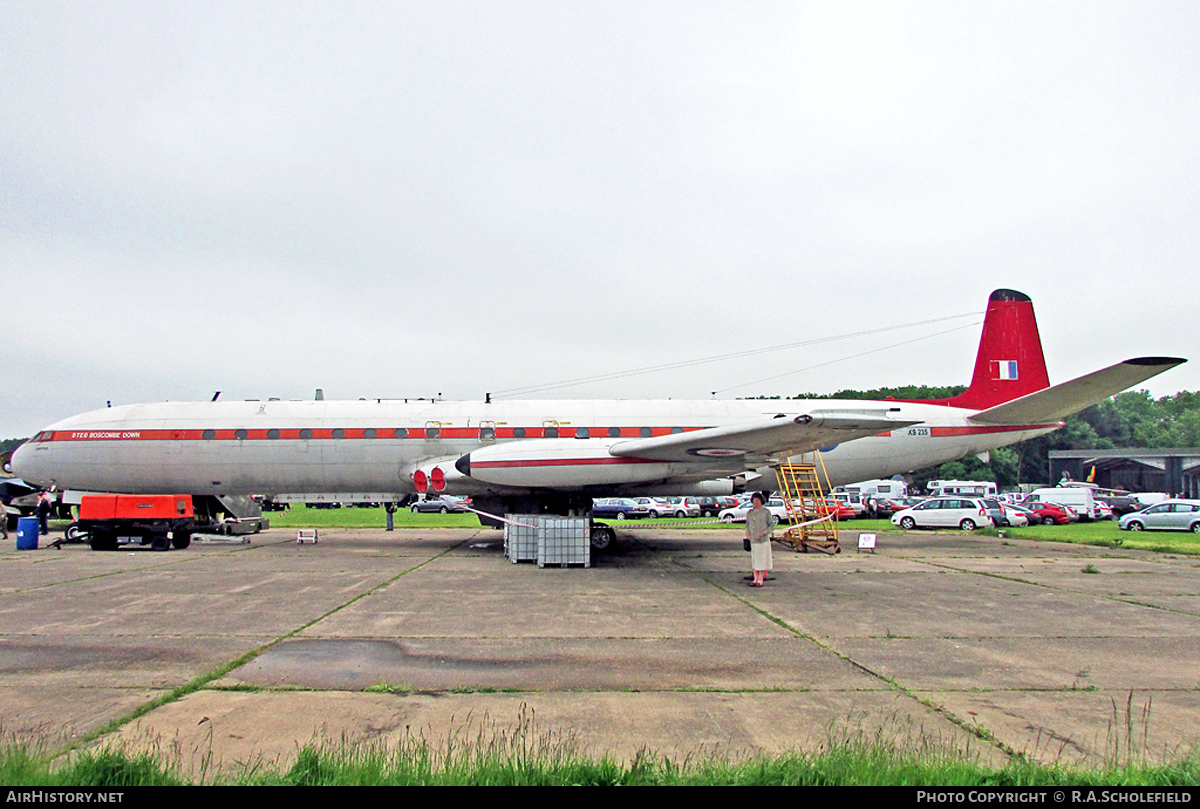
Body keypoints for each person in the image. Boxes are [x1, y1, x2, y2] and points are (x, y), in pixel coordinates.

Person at [745, 492, 773, 587]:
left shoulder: (766, 512)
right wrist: (747, 531)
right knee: (755, 560)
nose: (755, 503)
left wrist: (764, 533)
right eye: (754, 501)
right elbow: (747, 524)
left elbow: (771, 525)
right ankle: (755, 578)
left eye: (757, 501)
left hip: (763, 541)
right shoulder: (750, 513)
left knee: (762, 560)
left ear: (761, 502)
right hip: (753, 540)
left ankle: (760, 579)